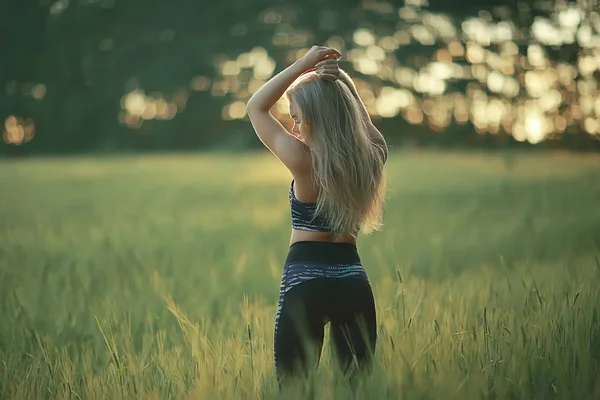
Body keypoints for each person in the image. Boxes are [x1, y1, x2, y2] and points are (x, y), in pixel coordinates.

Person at [246, 46, 388, 386]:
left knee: (295, 389)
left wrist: (304, 64)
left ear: (318, 117)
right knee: (356, 391)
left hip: (304, 283)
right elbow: (361, 122)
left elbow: (255, 107)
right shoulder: (372, 157)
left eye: (297, 117)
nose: (294, 128)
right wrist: (343, 83)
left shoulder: (302, 160)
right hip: (354, 283)